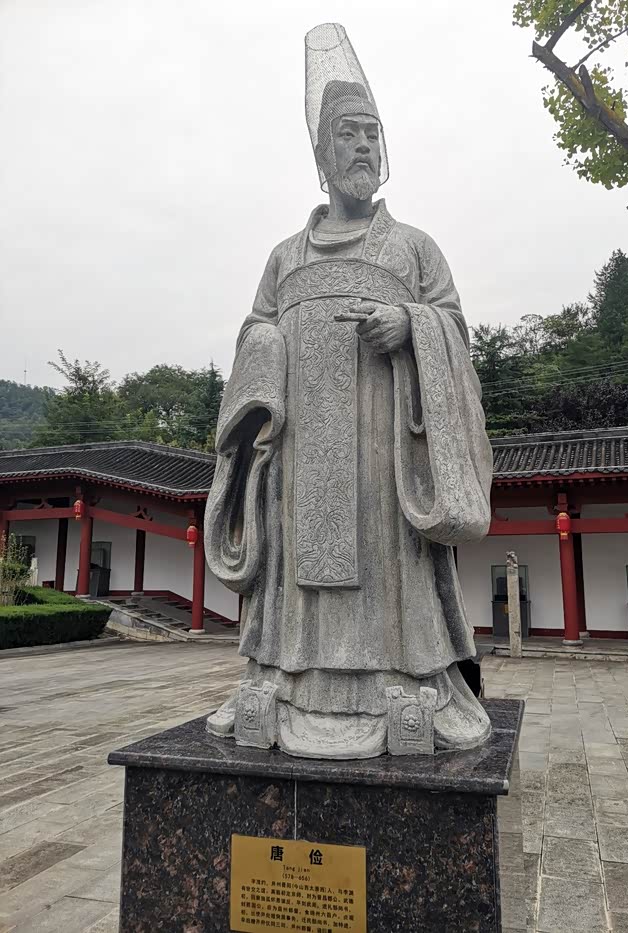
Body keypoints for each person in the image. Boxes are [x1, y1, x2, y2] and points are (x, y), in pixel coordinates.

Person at [204, 23, 493, 758]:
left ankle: (407, 684)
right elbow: (253, 334)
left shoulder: (414, 249)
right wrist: (267, 352)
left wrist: (413, 326)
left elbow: (455, 332)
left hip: (384, 458)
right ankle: (281, 679)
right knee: (295, 578)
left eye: (372, 132)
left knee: (389, 569)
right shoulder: (285, 258)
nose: (363, 146)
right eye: (347, 133)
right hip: (301, 459)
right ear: (322, 154)